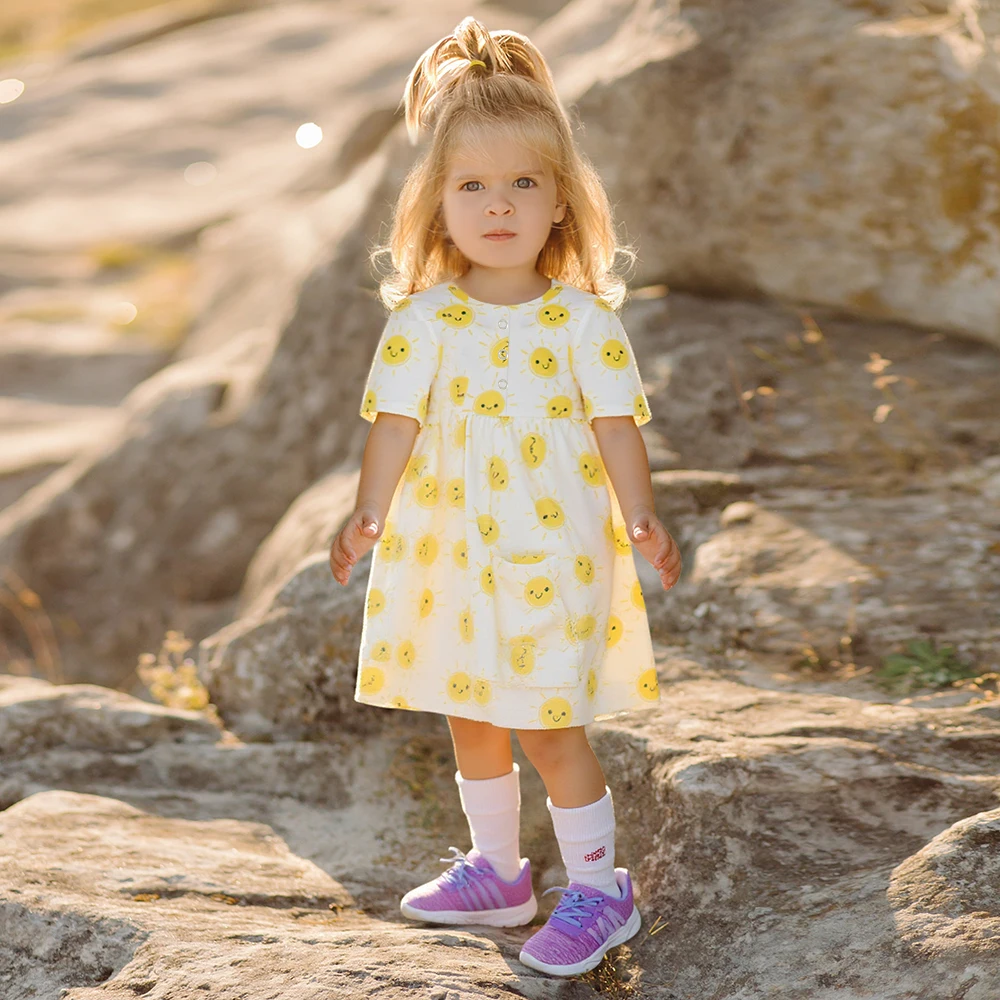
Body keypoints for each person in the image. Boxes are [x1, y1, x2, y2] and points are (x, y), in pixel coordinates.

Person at [329, 15, 681, 979]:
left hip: (549, 546)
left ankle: (601, 892)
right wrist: (366, 513)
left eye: (524, 183)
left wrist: (641, 515)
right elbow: (393, 425)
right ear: (436, 204)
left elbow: (616, 426)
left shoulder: (582, 321)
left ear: (561, 201)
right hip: (449, 546)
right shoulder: (424, 320)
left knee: (547, 719)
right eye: (472, 186)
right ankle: (498, 872)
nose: (498, 206)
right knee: (469, 707)